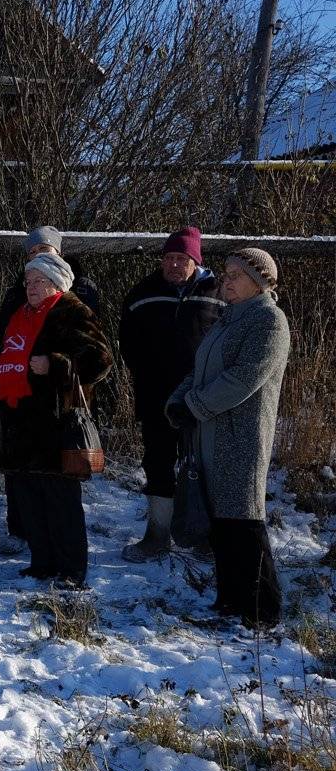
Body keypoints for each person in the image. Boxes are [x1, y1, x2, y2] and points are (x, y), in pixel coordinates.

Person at [167, 248, 289, 627]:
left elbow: (243, 379)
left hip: (241, 436)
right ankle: (230, 600)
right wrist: (178, 401)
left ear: (260, 281)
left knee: (244, 521)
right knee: (221, 521)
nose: (227, 280)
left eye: (236, 274)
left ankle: (261, 610)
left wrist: (195, 405)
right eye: (226, 273)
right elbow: (200, 370)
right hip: (210, 434)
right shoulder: (228, 319)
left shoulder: (268, 321)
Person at [0, 253, 113, 590]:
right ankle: (42, 562)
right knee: (30, 496)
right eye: (28, 281)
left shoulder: (72, 310)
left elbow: (101, 359)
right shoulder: (21, 313)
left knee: (61, 500)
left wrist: (56, 364)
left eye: (38, 281)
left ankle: (72, 569)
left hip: (56, 421)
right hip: (20, 419)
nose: (30, 287)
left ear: (56, 282)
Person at [119, 226, 224, 562]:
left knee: (206, 465)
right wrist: (147, 374)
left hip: (205, 399)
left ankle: (208, 537)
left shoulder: (220, 293)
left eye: (182, 258)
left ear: (196, 260)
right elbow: (128, 343)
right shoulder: (142, 293)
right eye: (169, 258)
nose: (174, 265)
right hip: (156, 397)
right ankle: (157, 535)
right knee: (158, 463)